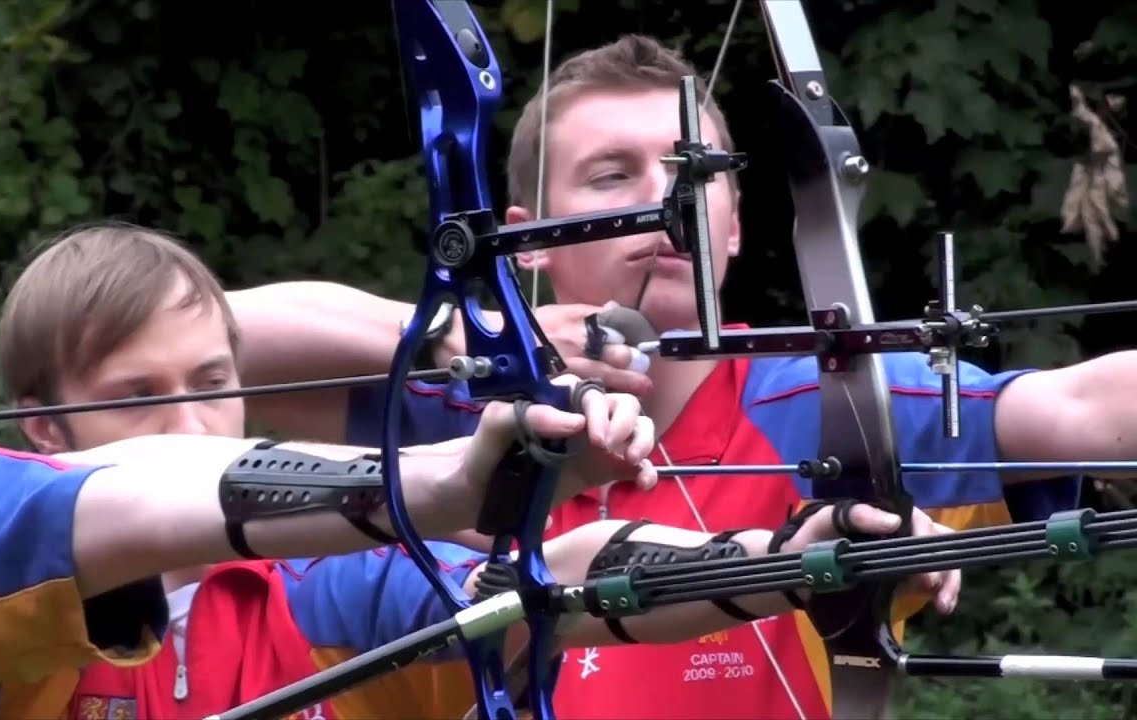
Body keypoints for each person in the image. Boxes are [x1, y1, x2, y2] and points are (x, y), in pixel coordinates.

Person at [215, 35, 1136, 720]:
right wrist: (457, 329)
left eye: (695, 173)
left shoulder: (838, 396)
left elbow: (1086, 405)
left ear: (734, 225)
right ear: (523, 236)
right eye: (612, 176)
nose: (667, 202)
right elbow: (166, 358)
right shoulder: (441, 408)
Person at [0, 225, 957, 720]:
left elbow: (558, 575)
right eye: (133, 394)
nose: (187, 420)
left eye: (213, 379)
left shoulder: (316, 587)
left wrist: (788, 558)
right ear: (40, 428)